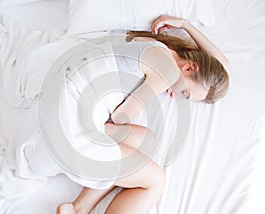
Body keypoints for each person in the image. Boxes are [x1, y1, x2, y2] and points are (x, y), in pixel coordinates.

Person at [56, 15, 229, 214]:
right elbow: (121, 117)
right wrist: (151, 91)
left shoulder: (154, 44)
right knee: (156, 182)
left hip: (70, 97)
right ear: (189, 67)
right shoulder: (166, 70)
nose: (174, 96)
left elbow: (221, 65)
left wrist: (186, 25)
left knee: (145, 141)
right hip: (71, 121)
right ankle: (78, 207)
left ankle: (78, 208)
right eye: (185, 93)